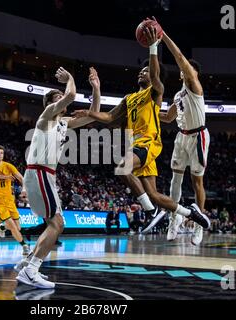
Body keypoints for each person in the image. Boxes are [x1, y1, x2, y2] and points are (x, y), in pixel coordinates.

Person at [72, 22, 210, 236]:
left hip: (149, 143)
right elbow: (109, 117)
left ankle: (152, 211)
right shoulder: (129, 98)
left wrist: (153, 47)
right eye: (141, 70)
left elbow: (156, 76)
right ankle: (189, 213)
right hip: (139, 145)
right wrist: (90, 113)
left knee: (122, 166)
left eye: (146, 71)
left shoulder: (156, 91)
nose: (142, 73)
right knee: (154, 193)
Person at [16, 66, 101, 289]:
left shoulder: (63, 123)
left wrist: (96, 88)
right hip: (39, 172)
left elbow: (93, 114)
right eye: (58, 98)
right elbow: (71, 95)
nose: (64, 99)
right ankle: (31, 269)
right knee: (57, 223)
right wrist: (70, 78)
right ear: (51, 105)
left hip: (46, 175)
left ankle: (28, 263)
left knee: (52, 224)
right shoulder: (46, 117)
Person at [159, 27, 210, 245]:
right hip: (181, 136)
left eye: (187, 67)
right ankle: (174, 218)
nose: (183, 69)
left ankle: (199, 224)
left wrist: (163, 35)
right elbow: (168, 118)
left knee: (196, 181)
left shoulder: (194, 85)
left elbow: (179, 56)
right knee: (175, 178)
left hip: (198, 136)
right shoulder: (179, 94)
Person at [0, 145, 29, 255]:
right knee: (11, 225)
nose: (0, 155)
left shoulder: (8, 166)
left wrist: (24, 189)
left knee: (18, 227)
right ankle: (24, 246)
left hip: (9, 200)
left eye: (2, 153)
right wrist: (6, 177)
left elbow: (21, 178)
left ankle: (0, 226)